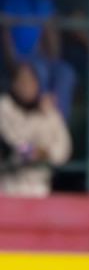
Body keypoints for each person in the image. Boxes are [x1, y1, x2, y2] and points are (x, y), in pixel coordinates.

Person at [0, 0, 76, 116]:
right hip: (16, 57)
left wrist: (54, 60)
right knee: (39, 71)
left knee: (65, 72)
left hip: (37, 55)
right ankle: (37, 119)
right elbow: (4, 29)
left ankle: (56, 121)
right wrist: (11, 62)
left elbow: (49, 28)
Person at [0, 61, 71, 197]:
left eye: (30, 80)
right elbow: (15, 144)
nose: (26, 86)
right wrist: (38, 115)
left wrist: (44, 152)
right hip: (7, 189)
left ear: (38, 84)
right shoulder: (3, 107)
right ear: (13, 83)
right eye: (21, 80)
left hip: (39, 190)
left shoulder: (49, 112)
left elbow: (63, 152)